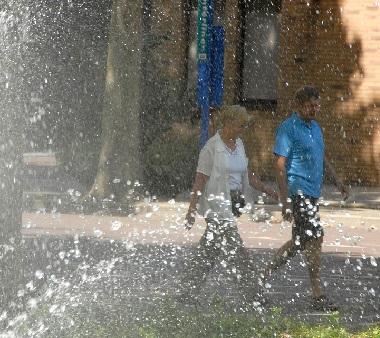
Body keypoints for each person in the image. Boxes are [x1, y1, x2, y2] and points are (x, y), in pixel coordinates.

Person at [176, 105, 278, 306]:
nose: (243, 130)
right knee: (235, 250)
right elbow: (199, 181)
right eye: (240, 126)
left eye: (245, 127)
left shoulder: (238, 144)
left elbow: (247, 174)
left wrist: (268, 190)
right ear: (228, 123)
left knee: (209, 250)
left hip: (233, 203)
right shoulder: (211, 148)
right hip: (217, 204)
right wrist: (191, 211)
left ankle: (187, 290)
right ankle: (253, 295)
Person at [260, 85, 349, 312]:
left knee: (299, 242)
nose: (315, 109)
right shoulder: (287, 129)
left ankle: (261, 276)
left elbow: (322, 156)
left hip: (312, 193)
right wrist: (285, 200)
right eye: (311, 105)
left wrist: (337, 181)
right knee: (316, 237)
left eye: (317, 105)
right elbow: (279, 165)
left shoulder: (315, 128)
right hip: (298, 191)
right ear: (297, 105)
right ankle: (317, 294)